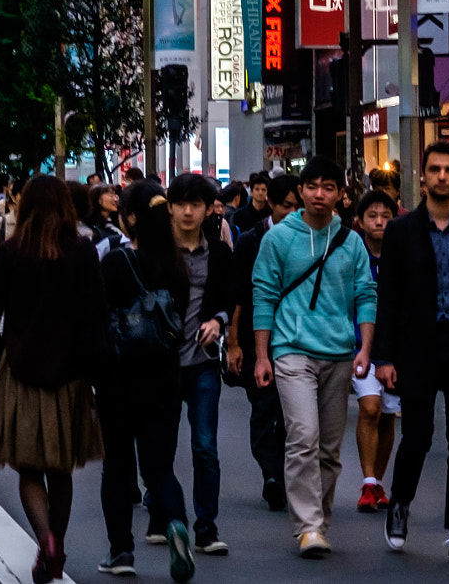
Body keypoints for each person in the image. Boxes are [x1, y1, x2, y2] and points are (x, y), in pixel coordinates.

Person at [0, 176, 106, 584]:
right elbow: (98, 316)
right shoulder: (83, 252)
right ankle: (56, 541)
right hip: (71, 374)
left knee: (29, 468)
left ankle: (44, 541)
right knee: (60, 470)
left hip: (22, 370)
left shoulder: (11, 252)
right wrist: (101, 376)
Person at [373, 140, 449, 566]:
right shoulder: (401, 232)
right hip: (418, 348)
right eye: (435, 170)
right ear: (422, 177)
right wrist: (384, 357)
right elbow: (387, 295)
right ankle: (400, 503)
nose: (442, 176)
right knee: (418, 437)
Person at [250, 158, 377, 560]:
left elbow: (365, 295)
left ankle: (318, 522)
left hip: (339, 353)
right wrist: (261, 356)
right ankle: (307, 526)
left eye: (328, 187)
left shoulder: (351, 240)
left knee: (328, 450)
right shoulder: (279, 239)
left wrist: (365, 349)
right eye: (312, 187)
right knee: (303, 436)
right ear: (300, 191)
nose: (319, 195)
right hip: (291, 351)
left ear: (342, 193)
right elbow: (264, 295)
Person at [95, 182, 186, 579]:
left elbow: (99, 320)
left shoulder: (115, 263)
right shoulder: (176, 264)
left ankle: (121, 552)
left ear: (130, 216)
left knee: (117, 466)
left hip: (119, 378)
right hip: (165, 376)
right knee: (160, 466)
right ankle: (176, 523)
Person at [165, 171, 236, 558]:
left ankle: (206, 527)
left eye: (196, 204)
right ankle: (163, 512)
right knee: (161, 445)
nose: (188, 211)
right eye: (181, 204)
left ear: (209, 208)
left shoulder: (220, 252)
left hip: (204, 363)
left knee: (205, 447)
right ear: (171, 208)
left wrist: (219, 321)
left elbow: (229, 296)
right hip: (161, 363)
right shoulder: (157, 252)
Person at [227, 170, 299, 515]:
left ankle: (283, 474)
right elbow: (239, 294)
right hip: (257, 337)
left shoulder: (309, 239)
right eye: (286, 207)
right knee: (263, 407)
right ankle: (271, 473)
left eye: (297, 208)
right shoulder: (251, 240)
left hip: (298, 338)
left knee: (291, 413)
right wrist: (233, 343)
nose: (292, 213)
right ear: (269, 203)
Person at [347, 190, 400, 514]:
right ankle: (368, 481)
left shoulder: (402, 255)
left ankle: (377, 483)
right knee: (370, 408)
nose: (379, 222)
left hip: (395, 349)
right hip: (359, 346)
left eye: (386, 216)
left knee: (389, 414)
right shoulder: (352, 255)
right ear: (360, 221)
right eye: (372, 216)